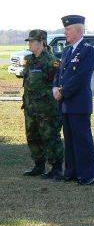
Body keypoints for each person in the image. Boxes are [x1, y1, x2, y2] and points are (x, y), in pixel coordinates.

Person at [53, 15, 94, 185]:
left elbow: (81, 77)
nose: (65, 32)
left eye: (68, 29)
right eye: (65, 29)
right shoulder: (67, 50)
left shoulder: (87, 50)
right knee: (70, 139)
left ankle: (88, 175)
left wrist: (63, 92)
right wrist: (55, 88)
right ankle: (71, 172)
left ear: (79, 31)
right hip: (65, 103)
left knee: (82, 139)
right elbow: (59, 73)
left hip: (78, 102)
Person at [22, 29, 64, 179]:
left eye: (33, 41)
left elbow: (58, 83)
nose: (30, 44)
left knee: (50, 137)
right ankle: (38, 165)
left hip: (47, 110)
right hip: (30, 108)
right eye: (29, 41)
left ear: (42, 42)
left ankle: (57, 168)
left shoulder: (51, 61)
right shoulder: (29, 60)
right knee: (32, 136)